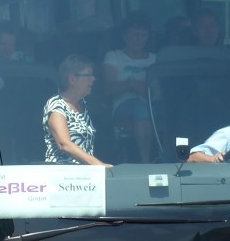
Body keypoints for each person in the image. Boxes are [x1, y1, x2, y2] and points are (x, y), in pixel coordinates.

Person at [102, 13, 156, 162]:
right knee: (141, 109)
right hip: (124, 105)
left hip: (153, 103)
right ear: (125, 36)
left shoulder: (155, 59)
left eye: (143, 35)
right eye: (135, 35)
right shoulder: (114, 56)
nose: (139, 39)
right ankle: (146, 162)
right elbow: (108, 88)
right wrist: (131, 84)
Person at [43, 55, 111, 165]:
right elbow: (64, 144)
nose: (93, 79)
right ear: (72, 79)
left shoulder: (83, 104)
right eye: (88, 75)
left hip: (85, 175)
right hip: (62, 174)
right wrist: (99, 165)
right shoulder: (56, 105)